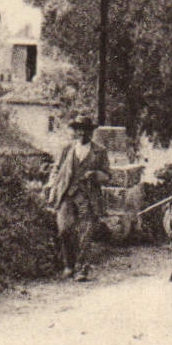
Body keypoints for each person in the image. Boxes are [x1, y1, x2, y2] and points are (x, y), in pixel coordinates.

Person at [45, 114, 111, 282]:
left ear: (91, 132)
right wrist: (52, 185)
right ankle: (69, 265)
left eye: (86, 130)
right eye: (79, 130)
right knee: (64, 229)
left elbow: (107, 176)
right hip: (67, 193)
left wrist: (96, 174)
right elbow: (56, 169)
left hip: (88, 197)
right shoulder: (67, 149)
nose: (82, 133)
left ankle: (82, 269)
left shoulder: (99, 151)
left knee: (86, 233)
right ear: (75, 131)